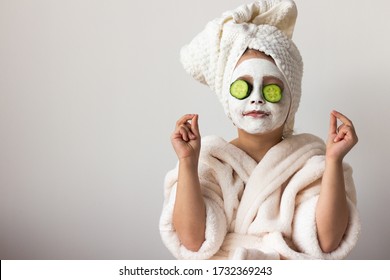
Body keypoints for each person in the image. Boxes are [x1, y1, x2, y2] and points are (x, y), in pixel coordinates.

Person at [159, 0, 360, 260]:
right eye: (243, 87)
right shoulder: (209, 161)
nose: (256, 99)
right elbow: (193, 242)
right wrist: (187, 162)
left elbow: (326, 241)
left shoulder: (311, 162)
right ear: (227, 100)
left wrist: (333, 161)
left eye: (271, 88)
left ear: (292, 100)